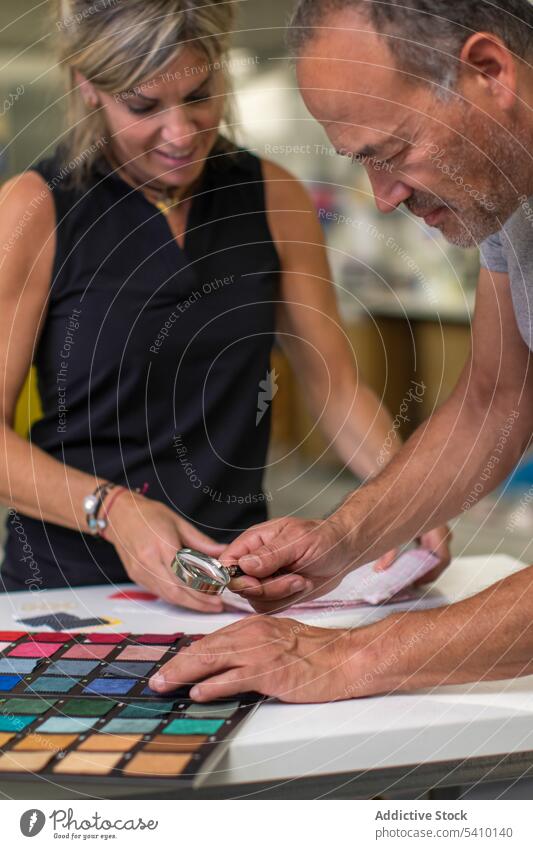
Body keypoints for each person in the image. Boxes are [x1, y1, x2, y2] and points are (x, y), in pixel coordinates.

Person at [0, 0, 447, 608]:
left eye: (200, 95)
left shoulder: (271, 196)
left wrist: (406, 496)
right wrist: (113, 510)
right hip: (68, 587)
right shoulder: (35, 210)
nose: (181, 134)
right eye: (144, 106)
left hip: (236, 584)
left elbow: (335, 389)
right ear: (87, 87)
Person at [150, 0, 533, 702]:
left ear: (487, 71)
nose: (382, 198)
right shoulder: (508, 191)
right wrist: (342, 540)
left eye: (392, 153)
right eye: (362, 162)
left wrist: (349, 658)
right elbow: (493, 402)